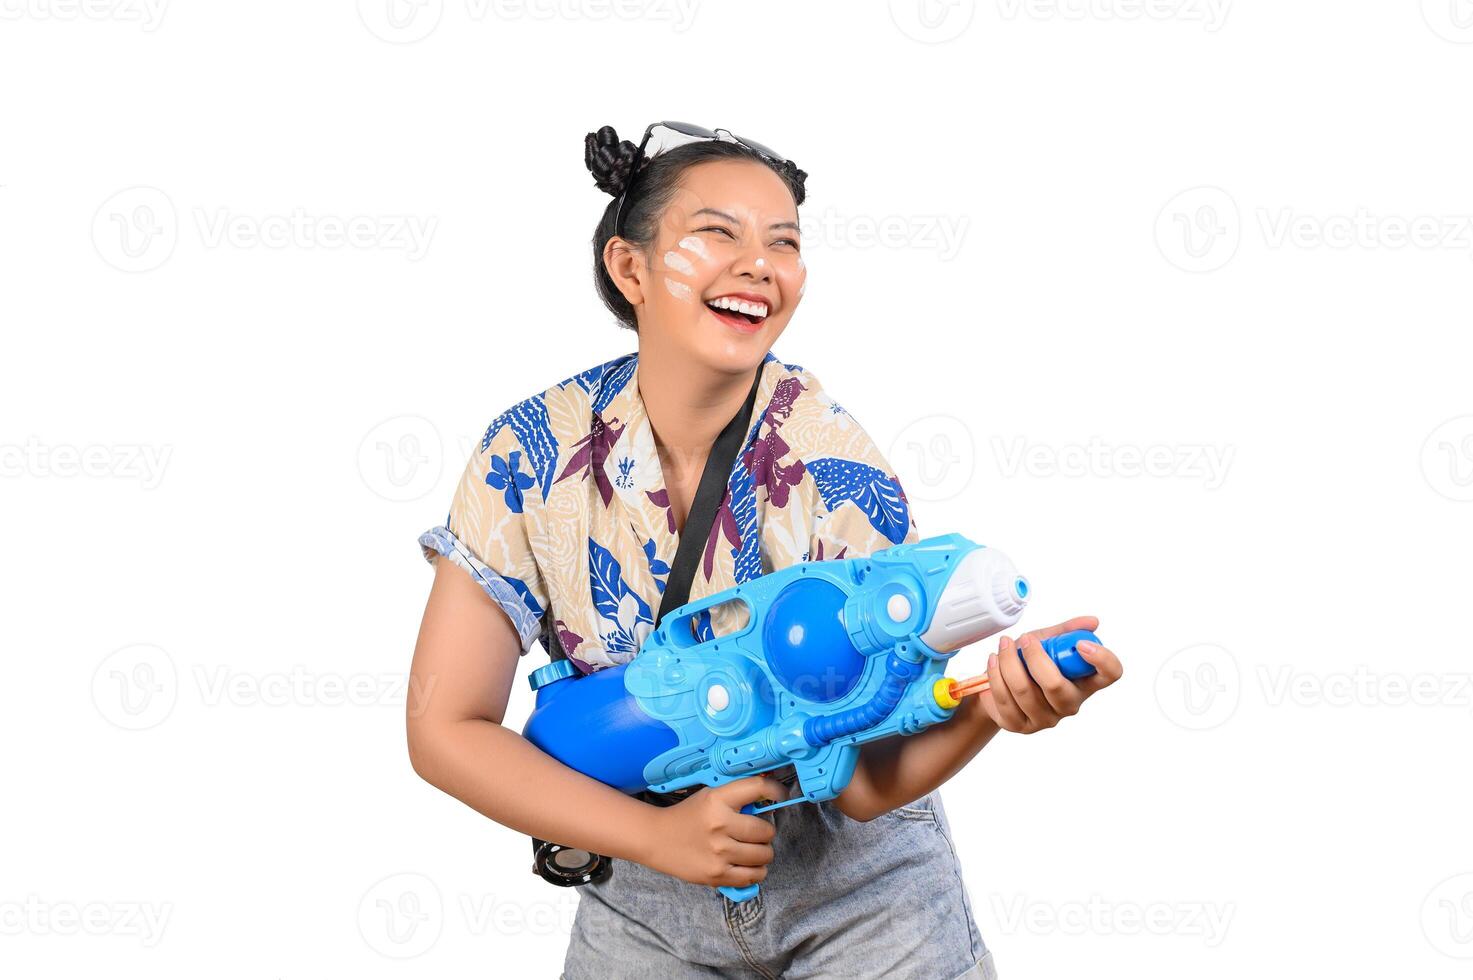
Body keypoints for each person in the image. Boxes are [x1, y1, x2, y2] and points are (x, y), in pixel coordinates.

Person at [405, 122, 1124, 979]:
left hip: (861, 895)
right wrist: (657, 838)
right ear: (629, 268)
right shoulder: (528, 454)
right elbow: (444, 728)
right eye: (719, 232)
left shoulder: (833, 460)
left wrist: (986, 709)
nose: (761, 265)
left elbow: (865, 784)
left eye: (784, 243)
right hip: (639, 895)